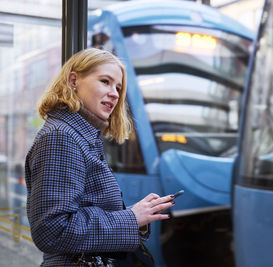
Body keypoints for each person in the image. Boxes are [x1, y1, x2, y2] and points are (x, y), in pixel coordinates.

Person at [25, 48, 175, 266]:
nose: (115, 93)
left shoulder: (80, 136)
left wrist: (138, 215)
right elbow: (52, 230)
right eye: (105, 81)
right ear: (73, 80)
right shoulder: (61, 137)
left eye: (118, 87)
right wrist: (131, 218)